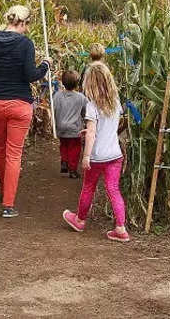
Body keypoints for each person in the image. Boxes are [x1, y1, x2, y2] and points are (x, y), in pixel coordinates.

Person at [0, 5, 52, 218]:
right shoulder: (25, 44)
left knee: (0, 149)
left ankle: (3, 191)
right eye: (28, 25)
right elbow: (30, 75)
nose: (28, 30)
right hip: (20, 105)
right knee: (14, 154)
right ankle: (8, 204)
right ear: (23, 22)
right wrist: (45, 65)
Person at [62, 61, 130, 242]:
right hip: (115, 155)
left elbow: (92, 133)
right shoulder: (115, 103)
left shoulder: (92, 106)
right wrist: (94, 131)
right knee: (113, 189)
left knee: (88, 187)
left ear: (90, 83)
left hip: (97, 156)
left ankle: (79, 220)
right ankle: (121, 228)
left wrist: (86, 157)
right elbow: (109, 127)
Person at [53, 70, 87, 178]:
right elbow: (85, 112)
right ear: (77, 83)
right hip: (74, 128)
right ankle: (72, 170)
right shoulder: (81, 97)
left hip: (61, 127)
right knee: (75, 148)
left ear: (63, 82)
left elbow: (54, 109)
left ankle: (64, 161)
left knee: (64, 145)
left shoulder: (57, 95)